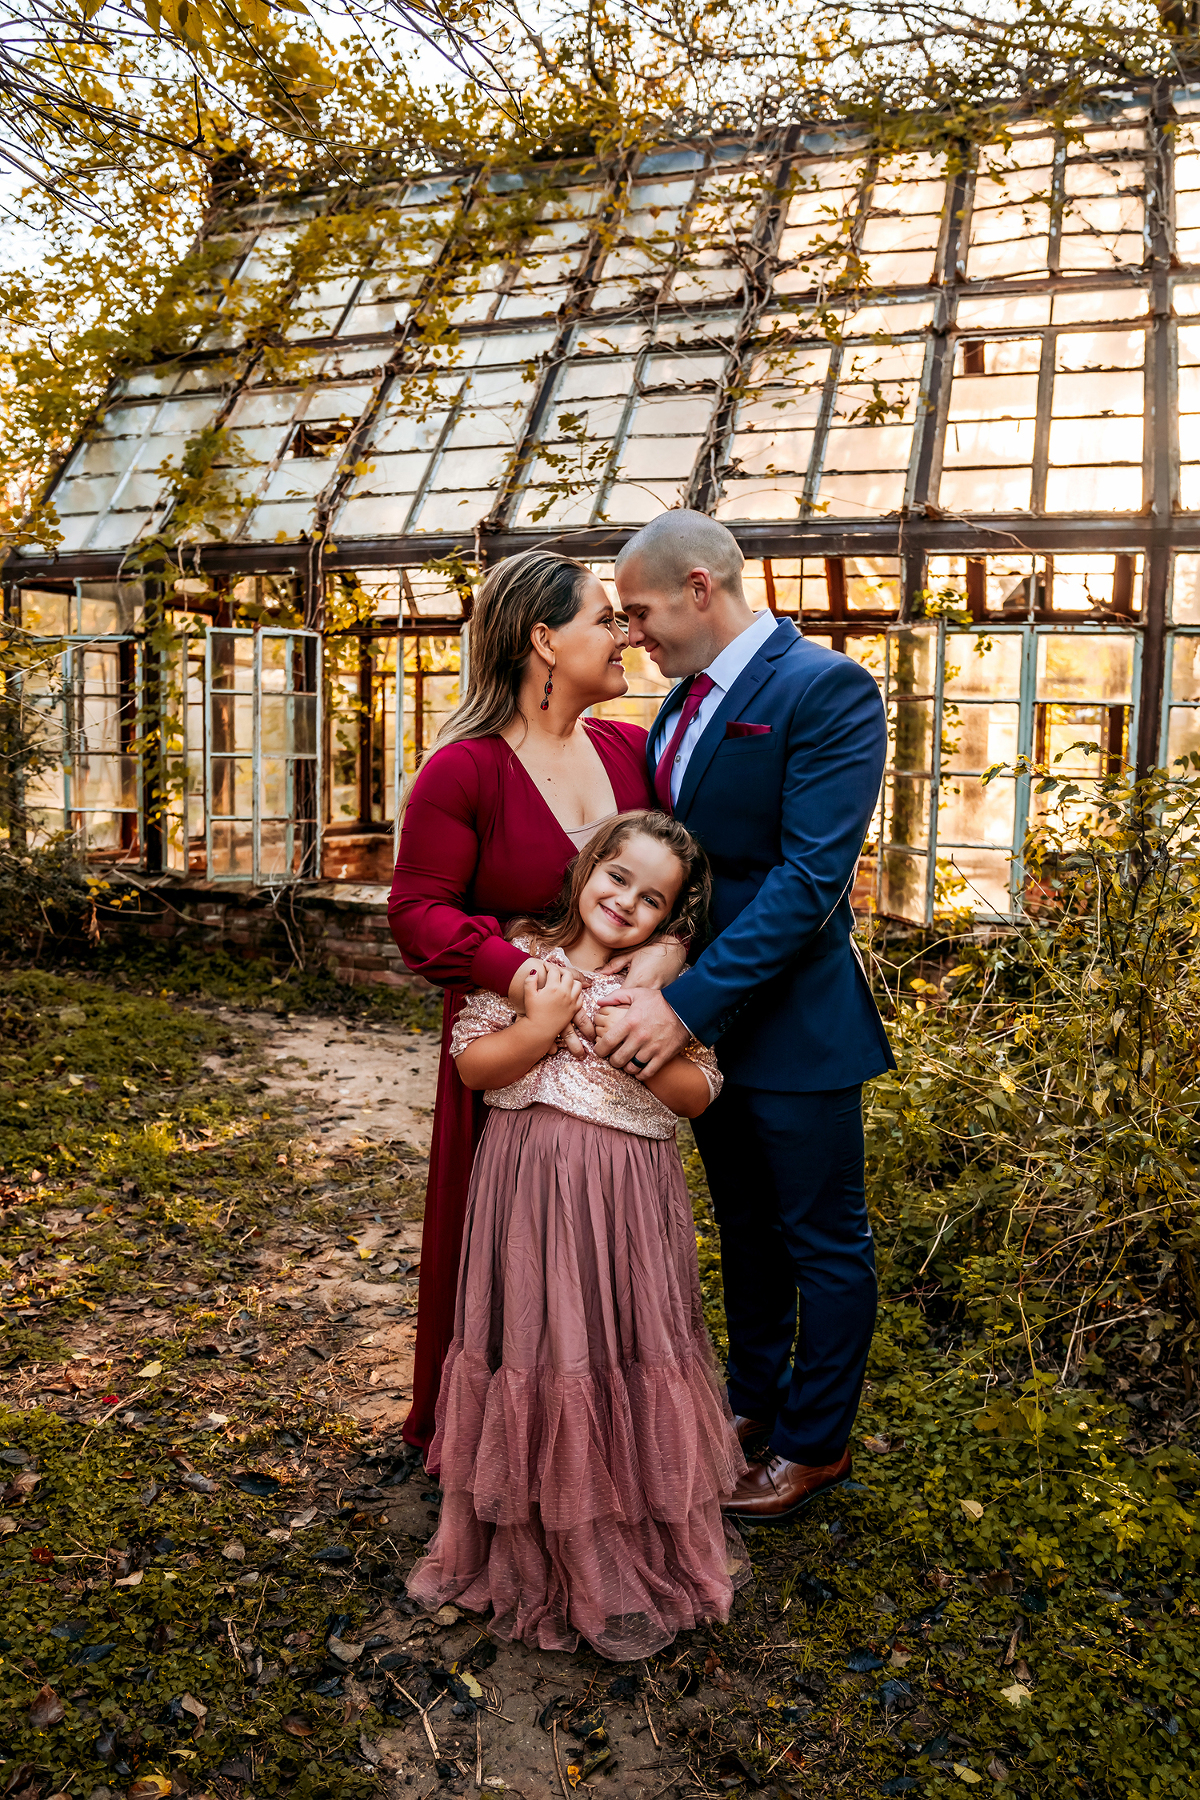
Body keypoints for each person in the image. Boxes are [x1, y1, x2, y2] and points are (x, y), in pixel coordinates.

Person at [591, 510, 895, 1524]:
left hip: (798, 1027)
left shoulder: (827, 688)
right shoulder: (679, 706)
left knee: (824, 1242)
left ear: (700, 589)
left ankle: (817, 1445)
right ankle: (751, 1407)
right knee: (748, 1234)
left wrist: (683, 1006)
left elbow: (811, 880)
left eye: (640, 612)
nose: (633, 634)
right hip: (714, 1028)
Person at [407, 811, 749, 1659]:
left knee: (612, 1348)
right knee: (538, 1343)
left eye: (653, 898)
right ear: (587, 868)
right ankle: (530, 1544)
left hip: (623, 1207)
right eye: (617, 877)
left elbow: (700, 1091)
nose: (627, 902)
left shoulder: (668, 986)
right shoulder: (525, 957)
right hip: (525, 1198)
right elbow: (474, 1067)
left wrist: (634, 1047)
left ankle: (627, 1543)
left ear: (671, 920)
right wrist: (539, 1024)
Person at [387, 550, 685, 1460]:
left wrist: (672, 949)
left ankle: (611, 1437)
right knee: (509, 1250)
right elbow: (415, 910)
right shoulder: (463, 771)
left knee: (607, 1253)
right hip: (513, 1048)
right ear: (544, 640)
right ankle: (507, 1444)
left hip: (615, 1074)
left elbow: (687, 875)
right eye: (606, 618)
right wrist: (524, 980)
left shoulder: (634, 752)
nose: (628, 633)